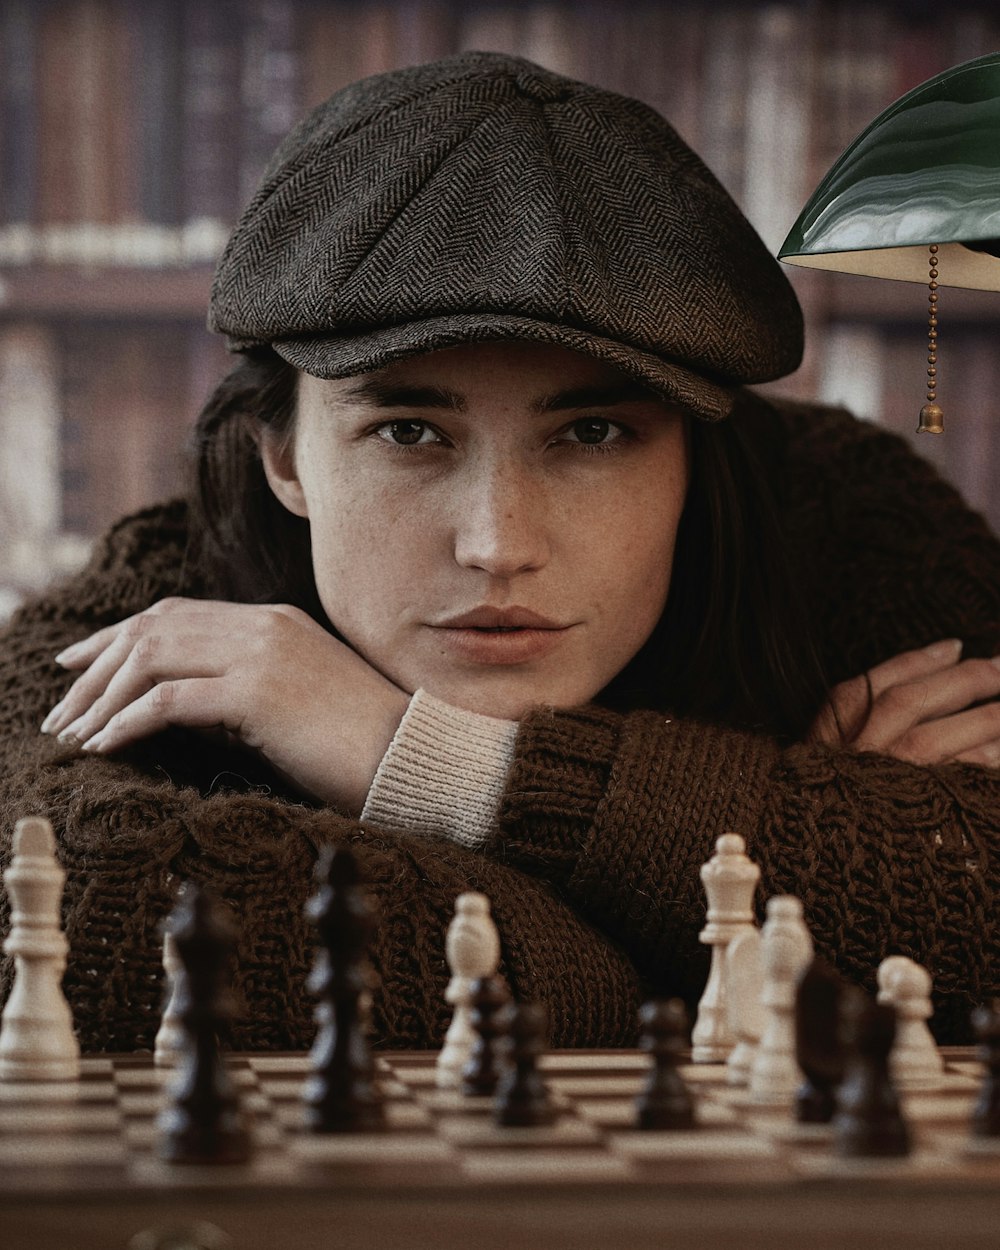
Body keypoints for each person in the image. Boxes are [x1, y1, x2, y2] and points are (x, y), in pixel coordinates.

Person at [1, 51, 998, 1052]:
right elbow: (83, 906)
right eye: (408, 432)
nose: (497, 544)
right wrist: (776, 903)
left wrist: (410, 755)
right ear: (282, 455)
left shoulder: (839, 512)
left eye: (593, 434)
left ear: (696, 449)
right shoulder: (167, 588)